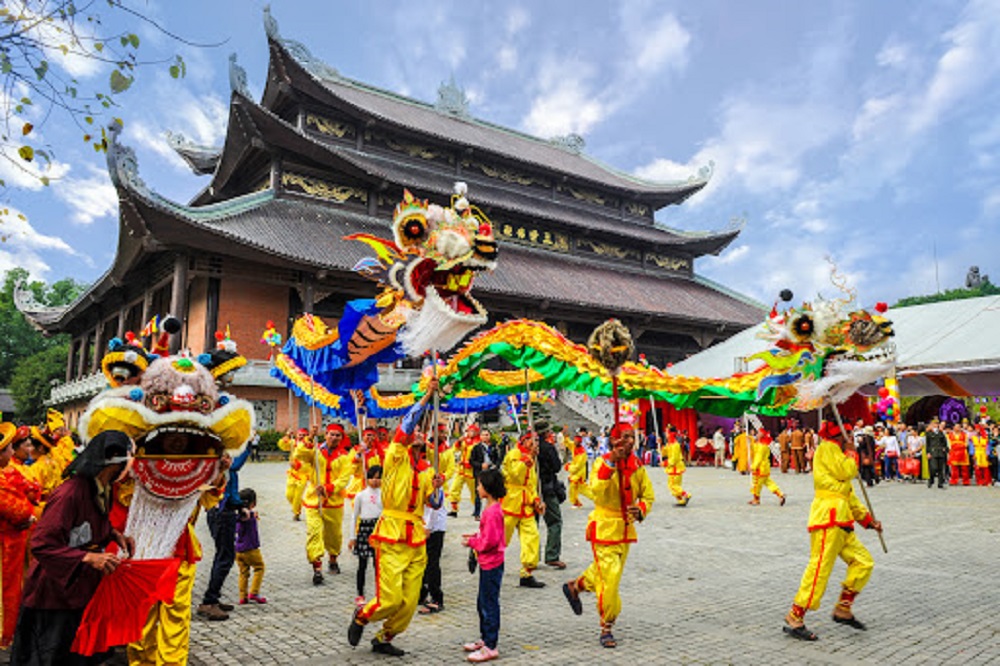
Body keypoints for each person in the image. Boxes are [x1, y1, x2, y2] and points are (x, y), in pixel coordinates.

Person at [10, 430, 134, 666]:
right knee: (53, 657)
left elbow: (89, 522)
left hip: (79, 590)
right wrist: (88, 557)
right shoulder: (70, 493)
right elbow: (41, 544)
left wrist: (114, 534)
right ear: (113, 466)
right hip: (54, 594)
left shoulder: (101, 487)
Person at [347, 379, 445, 657]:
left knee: (410, 601)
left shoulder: (427, 469)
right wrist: (426, 397)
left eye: (419, 435)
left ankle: (384, 637)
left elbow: (434, 504)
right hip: (391, 530)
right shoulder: (395, 456)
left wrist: (438, 489)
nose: (415, 435)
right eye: (412, 432)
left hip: (416, 534)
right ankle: (362, 616)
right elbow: (407, 426)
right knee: (390, 599)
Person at [783, 420, 882, 642]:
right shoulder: (827, 448)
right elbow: (846, 471)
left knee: (863, 562)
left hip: (843, 520)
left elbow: (849, 495)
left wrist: (868, 521)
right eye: (848, 433)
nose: (851, 437)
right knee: (820, 569)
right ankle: (795, 616)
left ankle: (843, 609)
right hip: (828, 519)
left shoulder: (837, 451)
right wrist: (851, 454)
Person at [562, 424, 654, 648]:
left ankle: (576, 586)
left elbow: (648, 495)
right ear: (613, 441)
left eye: (632, 437)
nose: (630, 441)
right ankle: (607, 625)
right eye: (625, 437)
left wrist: (640, 509)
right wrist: (612, 462)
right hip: (604, 528)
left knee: (605, 573)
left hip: (625, 529)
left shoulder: (637, 465)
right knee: (610, 580)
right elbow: (596, 492)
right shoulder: (602, 463)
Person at [197, 444, 251, 621]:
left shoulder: (225, 464)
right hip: (220, 513)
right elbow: (234, 467)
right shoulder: (219, 465)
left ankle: (214, 598)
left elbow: (232, 486)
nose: (228, 459)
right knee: (225, 557)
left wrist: (239, 507)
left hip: (226, 511)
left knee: (224, 556)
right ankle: (208, 601)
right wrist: (249, 444)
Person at [0, 424, 41, 649]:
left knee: (14, 586)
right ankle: (5, 635)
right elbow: (21, 511)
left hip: (15, 542)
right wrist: (29, 509)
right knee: (7, 588)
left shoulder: (9, 471)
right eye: (9, 448)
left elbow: (33, 487)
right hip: (6, 543)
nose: (13, 452)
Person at [461, 468, 507, 663]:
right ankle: (485, 638)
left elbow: (490, 541)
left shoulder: (493, 512)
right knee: (483, 603)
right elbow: (487, 536)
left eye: (479, 485)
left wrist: (472, 543)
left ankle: (491, 645)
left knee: (489, 604)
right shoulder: (490, 510)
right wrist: (474, 537)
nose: (477, 488)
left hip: (492, 564)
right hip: (487, 563)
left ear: (487, 488)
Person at [303, 423, 352, 584]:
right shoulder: (315, 451)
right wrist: (309, 437)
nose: (334, 437)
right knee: (314, 533)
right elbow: (300, 455)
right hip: (314, 501)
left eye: (338, 435)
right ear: (325, 435)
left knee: (334, 535)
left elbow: (344, 479)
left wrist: (328, 488)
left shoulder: (345, 457)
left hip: (334, 502)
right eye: (332, 434)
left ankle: (333, 559)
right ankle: (317, 567)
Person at [501, 430, 546, 588]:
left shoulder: (531, 459)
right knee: (502, 537)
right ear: (524, 440)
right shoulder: (515, 453)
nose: (535, 445)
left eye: (537, 442)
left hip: (526, 504)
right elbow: (514, 475)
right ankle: (477, 553)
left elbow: (531, 484)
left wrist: (536, 500)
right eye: (532, 441)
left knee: (532, 537)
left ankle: (527, 573)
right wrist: (527, 459)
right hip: (511, 501)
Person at [420, 432, 449, 614]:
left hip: (432, 526)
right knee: (420, 562)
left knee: (432, 563)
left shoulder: (430, 472)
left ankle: (436, 598)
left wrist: (428, 526)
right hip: (418, 524)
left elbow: (434, 504)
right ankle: (421, 594)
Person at [350, 465, 383, 608]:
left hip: (379, 529)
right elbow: (354, 516)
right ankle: (360, 593)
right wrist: (353, 537)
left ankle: (380, 593)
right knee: (362, 564)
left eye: (378, 477)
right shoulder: (360, 496)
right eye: (372, 477)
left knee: (379, 565)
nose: (375, 481)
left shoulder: (384, 494)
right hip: (364, 529)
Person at [536, 421, 566, 570]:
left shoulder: (529, 448)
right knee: (554, 522)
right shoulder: (547, 448)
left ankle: (531, 556)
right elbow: (556, 467)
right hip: (546, 488)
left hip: (531, 489)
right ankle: (552, 555)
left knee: (531, 525)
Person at [235, 487, 267, 605]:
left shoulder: (236, 516)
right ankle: (254, 592)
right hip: (251, 549)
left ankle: (242, 596)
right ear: (253, 503)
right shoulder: (251, 517)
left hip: (238, 550)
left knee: (243, 572)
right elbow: (251, 516)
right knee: (259, 568)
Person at [449, 423, 480, 517]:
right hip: (461, 469)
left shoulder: (478, 443)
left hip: (471, 471)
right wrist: (458, 441)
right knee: (454, 488)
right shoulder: (464, 441)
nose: (470, 433)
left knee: (474, 492)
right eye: (469, 431)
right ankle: (454, 510)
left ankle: (477, 510)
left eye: (472, 431)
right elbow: (455, 449)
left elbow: (479, 457)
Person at [749, 429, 785, 506]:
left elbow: (759, 457)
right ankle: (780, 494)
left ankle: (756, 499)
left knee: (756, 484)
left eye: (759, 433)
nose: (757, 434)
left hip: (760, 467)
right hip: (765, 467)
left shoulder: (762, 446)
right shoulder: (763, 444)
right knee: (769, 482)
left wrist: (753, 466)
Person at [285, 428, 314, 520]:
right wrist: (288, 435)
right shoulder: (293, 443)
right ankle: (297, 506)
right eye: (300, 434)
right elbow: (283, 444)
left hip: (303, 475)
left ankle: (296, 513)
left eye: (304, 435)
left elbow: (305, 453)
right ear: (297, 435)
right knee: (289, 495)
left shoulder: (310, 446)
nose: (302, 436)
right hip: (293, 473)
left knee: (298, 495)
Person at [661, 426, 691, 506]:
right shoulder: (669, 444)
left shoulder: (675, 445)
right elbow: (664, 453)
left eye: (667, 433)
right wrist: (660, 444)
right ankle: (681, 500)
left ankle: (686, 495)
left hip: (675, 467)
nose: (666, 434)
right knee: (675, 485)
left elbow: (674, 458)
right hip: (675, 467)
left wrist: (666, 463)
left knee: (672, 485)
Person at [566, 433, 589, 508]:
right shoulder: (574, 446)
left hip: (580, 473)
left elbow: (578, 466)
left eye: (577, 441)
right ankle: (575, 502)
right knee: (575, 487)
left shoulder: (582, 452)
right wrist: (566, 436)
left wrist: (569, 467)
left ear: (580, 442)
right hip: (575, 472)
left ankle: (597, 498)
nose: (575, 442)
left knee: (581, 488)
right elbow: (568, 443)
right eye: (575, 440)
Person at [925, 421, 949, 489]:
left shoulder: (941, 433)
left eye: (936, 424)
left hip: (940, 452)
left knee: (941, 468)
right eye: (934, 424)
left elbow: (945, 442)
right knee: (933, 468)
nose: (935, 425)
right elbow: (927, 444)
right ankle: (931, 479)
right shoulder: (929, 433)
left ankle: (940, 483)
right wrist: (928, 452)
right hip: (933, 452)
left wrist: (945, 449)